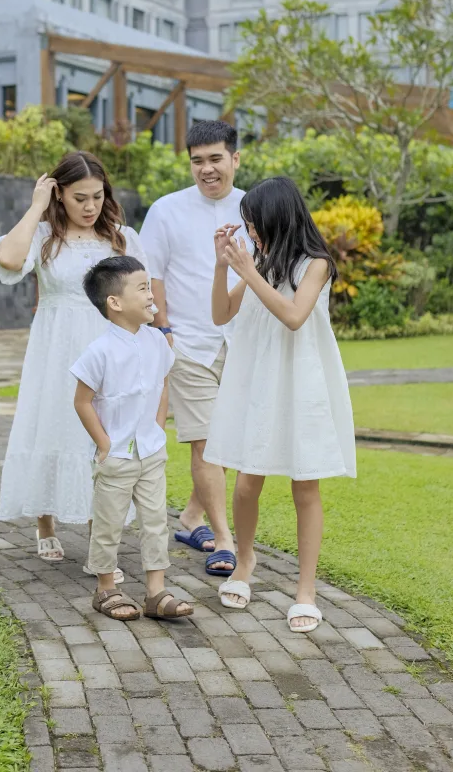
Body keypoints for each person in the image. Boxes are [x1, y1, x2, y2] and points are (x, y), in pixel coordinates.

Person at [205, 176, 356, 629]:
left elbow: (293, 317)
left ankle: (305, 590)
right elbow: (220, 315)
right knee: (248, 481)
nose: (249, 232)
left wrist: (249, 270)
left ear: (276, 218)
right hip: (257, 384)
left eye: (254, 224)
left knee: (304, 487)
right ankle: (245, 562)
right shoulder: (260, 261)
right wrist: (221, 268)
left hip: (300, 384)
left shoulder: (316, 264)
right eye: (247, 226)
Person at [0, 151, 148, 578]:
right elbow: (7, 260)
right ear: (60, 194)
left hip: (108, 346)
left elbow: (140, 296)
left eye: (97, 196)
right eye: (79, 197)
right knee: (54, 424)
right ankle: (45, 523)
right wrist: (37, 205)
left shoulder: (121, 238)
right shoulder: (42, 235)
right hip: (56, 349)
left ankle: (103, 540)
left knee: (104, 435)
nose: (90, 206)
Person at [139, 120, 251, 576]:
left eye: (215, 159)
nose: (206, 169)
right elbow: (152, 276)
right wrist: (164, 330)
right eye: (197, 161)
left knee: (232, 443)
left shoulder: (251, 207)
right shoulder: (166, 210)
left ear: (235, 159)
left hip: (244, 342)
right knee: (204, 442)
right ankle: (225, 540)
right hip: (189, 342)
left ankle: (190, 519)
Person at [71, 256, 194, 622]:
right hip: (118, 456)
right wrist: (105, 445)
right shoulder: (99, 352)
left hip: (151, 451)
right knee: (109, 524)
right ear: (115, 302)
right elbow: (82, 402)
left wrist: (157, 426)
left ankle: (156, 592)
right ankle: (106, 588)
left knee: (156, 521)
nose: (151, 293)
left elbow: (163, 385)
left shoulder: (158, 341)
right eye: (142, 288)